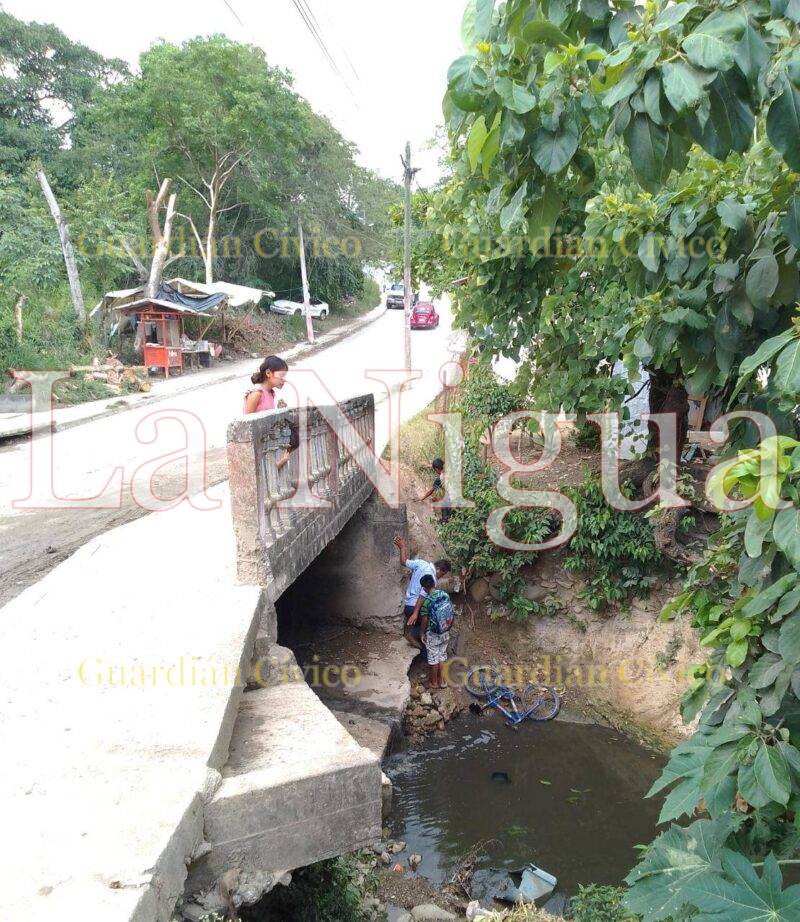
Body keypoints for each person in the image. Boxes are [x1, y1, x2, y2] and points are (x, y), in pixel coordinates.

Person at [393, 535, 451, 650]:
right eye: (443, 574)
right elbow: (422, 595)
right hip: (414, 608)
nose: (441, 577)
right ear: (440, 569)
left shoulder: (421, 563)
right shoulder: (432, 579)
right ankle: (419, 637)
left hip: (407, 604)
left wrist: (402, 547)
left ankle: (414, 633)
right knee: (429, 622)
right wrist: (415, 614)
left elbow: (403, 561)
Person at [244, 355, 296, 469]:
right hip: (260, 450)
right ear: (268, 373)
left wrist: (279, 411)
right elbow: (246, 427)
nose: (284, 380)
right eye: (281, 376)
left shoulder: (271, 394)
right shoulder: (256, 394)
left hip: (269, 446)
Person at [408, 573, 455, 688]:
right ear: (434, 583)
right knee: (442, 656)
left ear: (424, 588)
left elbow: (424, 620)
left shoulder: (427, 602)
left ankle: (434, 682)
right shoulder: (445, 594)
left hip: (434, 634)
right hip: (445, 630)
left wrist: (421, 633)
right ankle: (443, 682)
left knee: (434, 659)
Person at [419, 457, 451, 523]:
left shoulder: (439, 479)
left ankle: (444, 522)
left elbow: (431, 491)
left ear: (436, 469)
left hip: (448, 500)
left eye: (434, 469)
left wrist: (422, 498)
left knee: (445, 519)